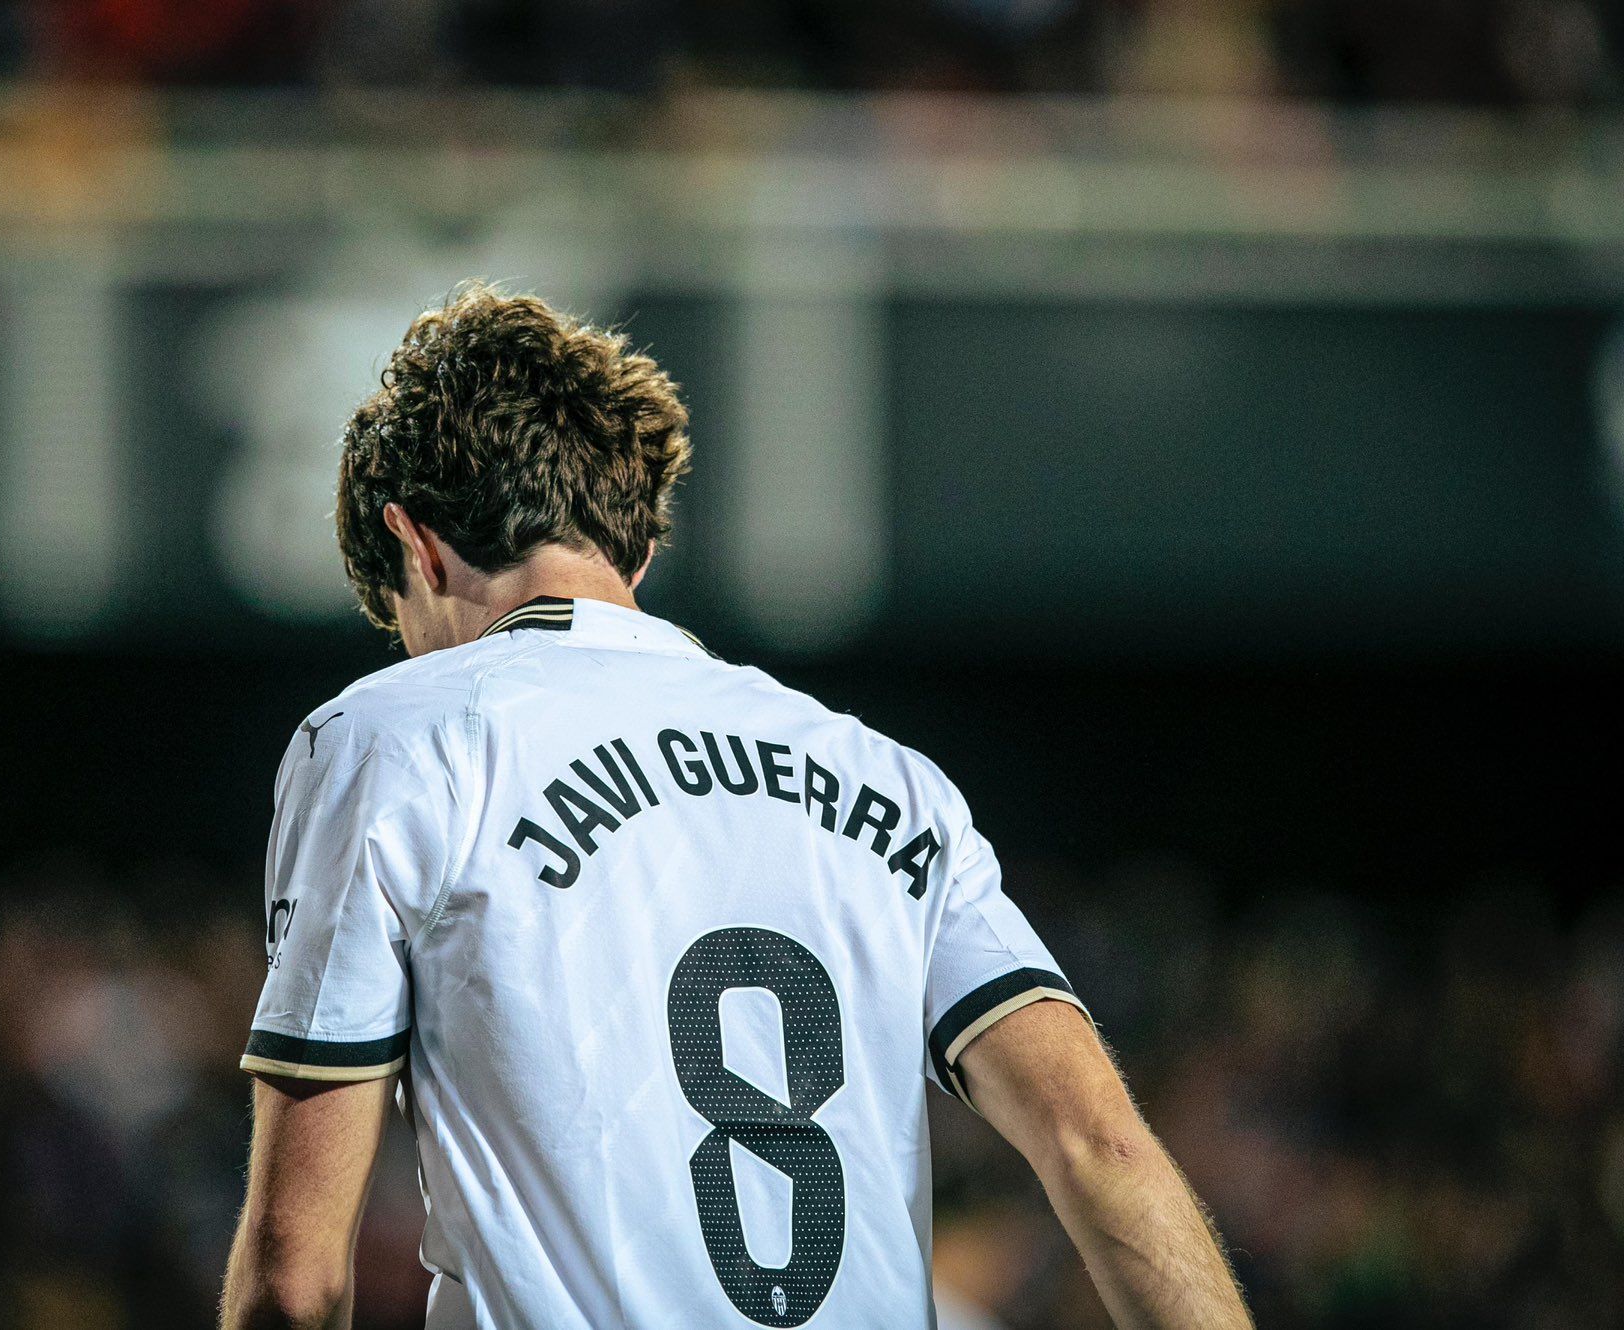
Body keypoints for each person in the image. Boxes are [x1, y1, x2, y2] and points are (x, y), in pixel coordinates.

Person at [220, 283, 1252, 1330]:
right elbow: (1100, 1147)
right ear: (636, 552)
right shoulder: (886, 779)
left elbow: (295, 1272)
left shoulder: (393, 733)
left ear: (417, 547)